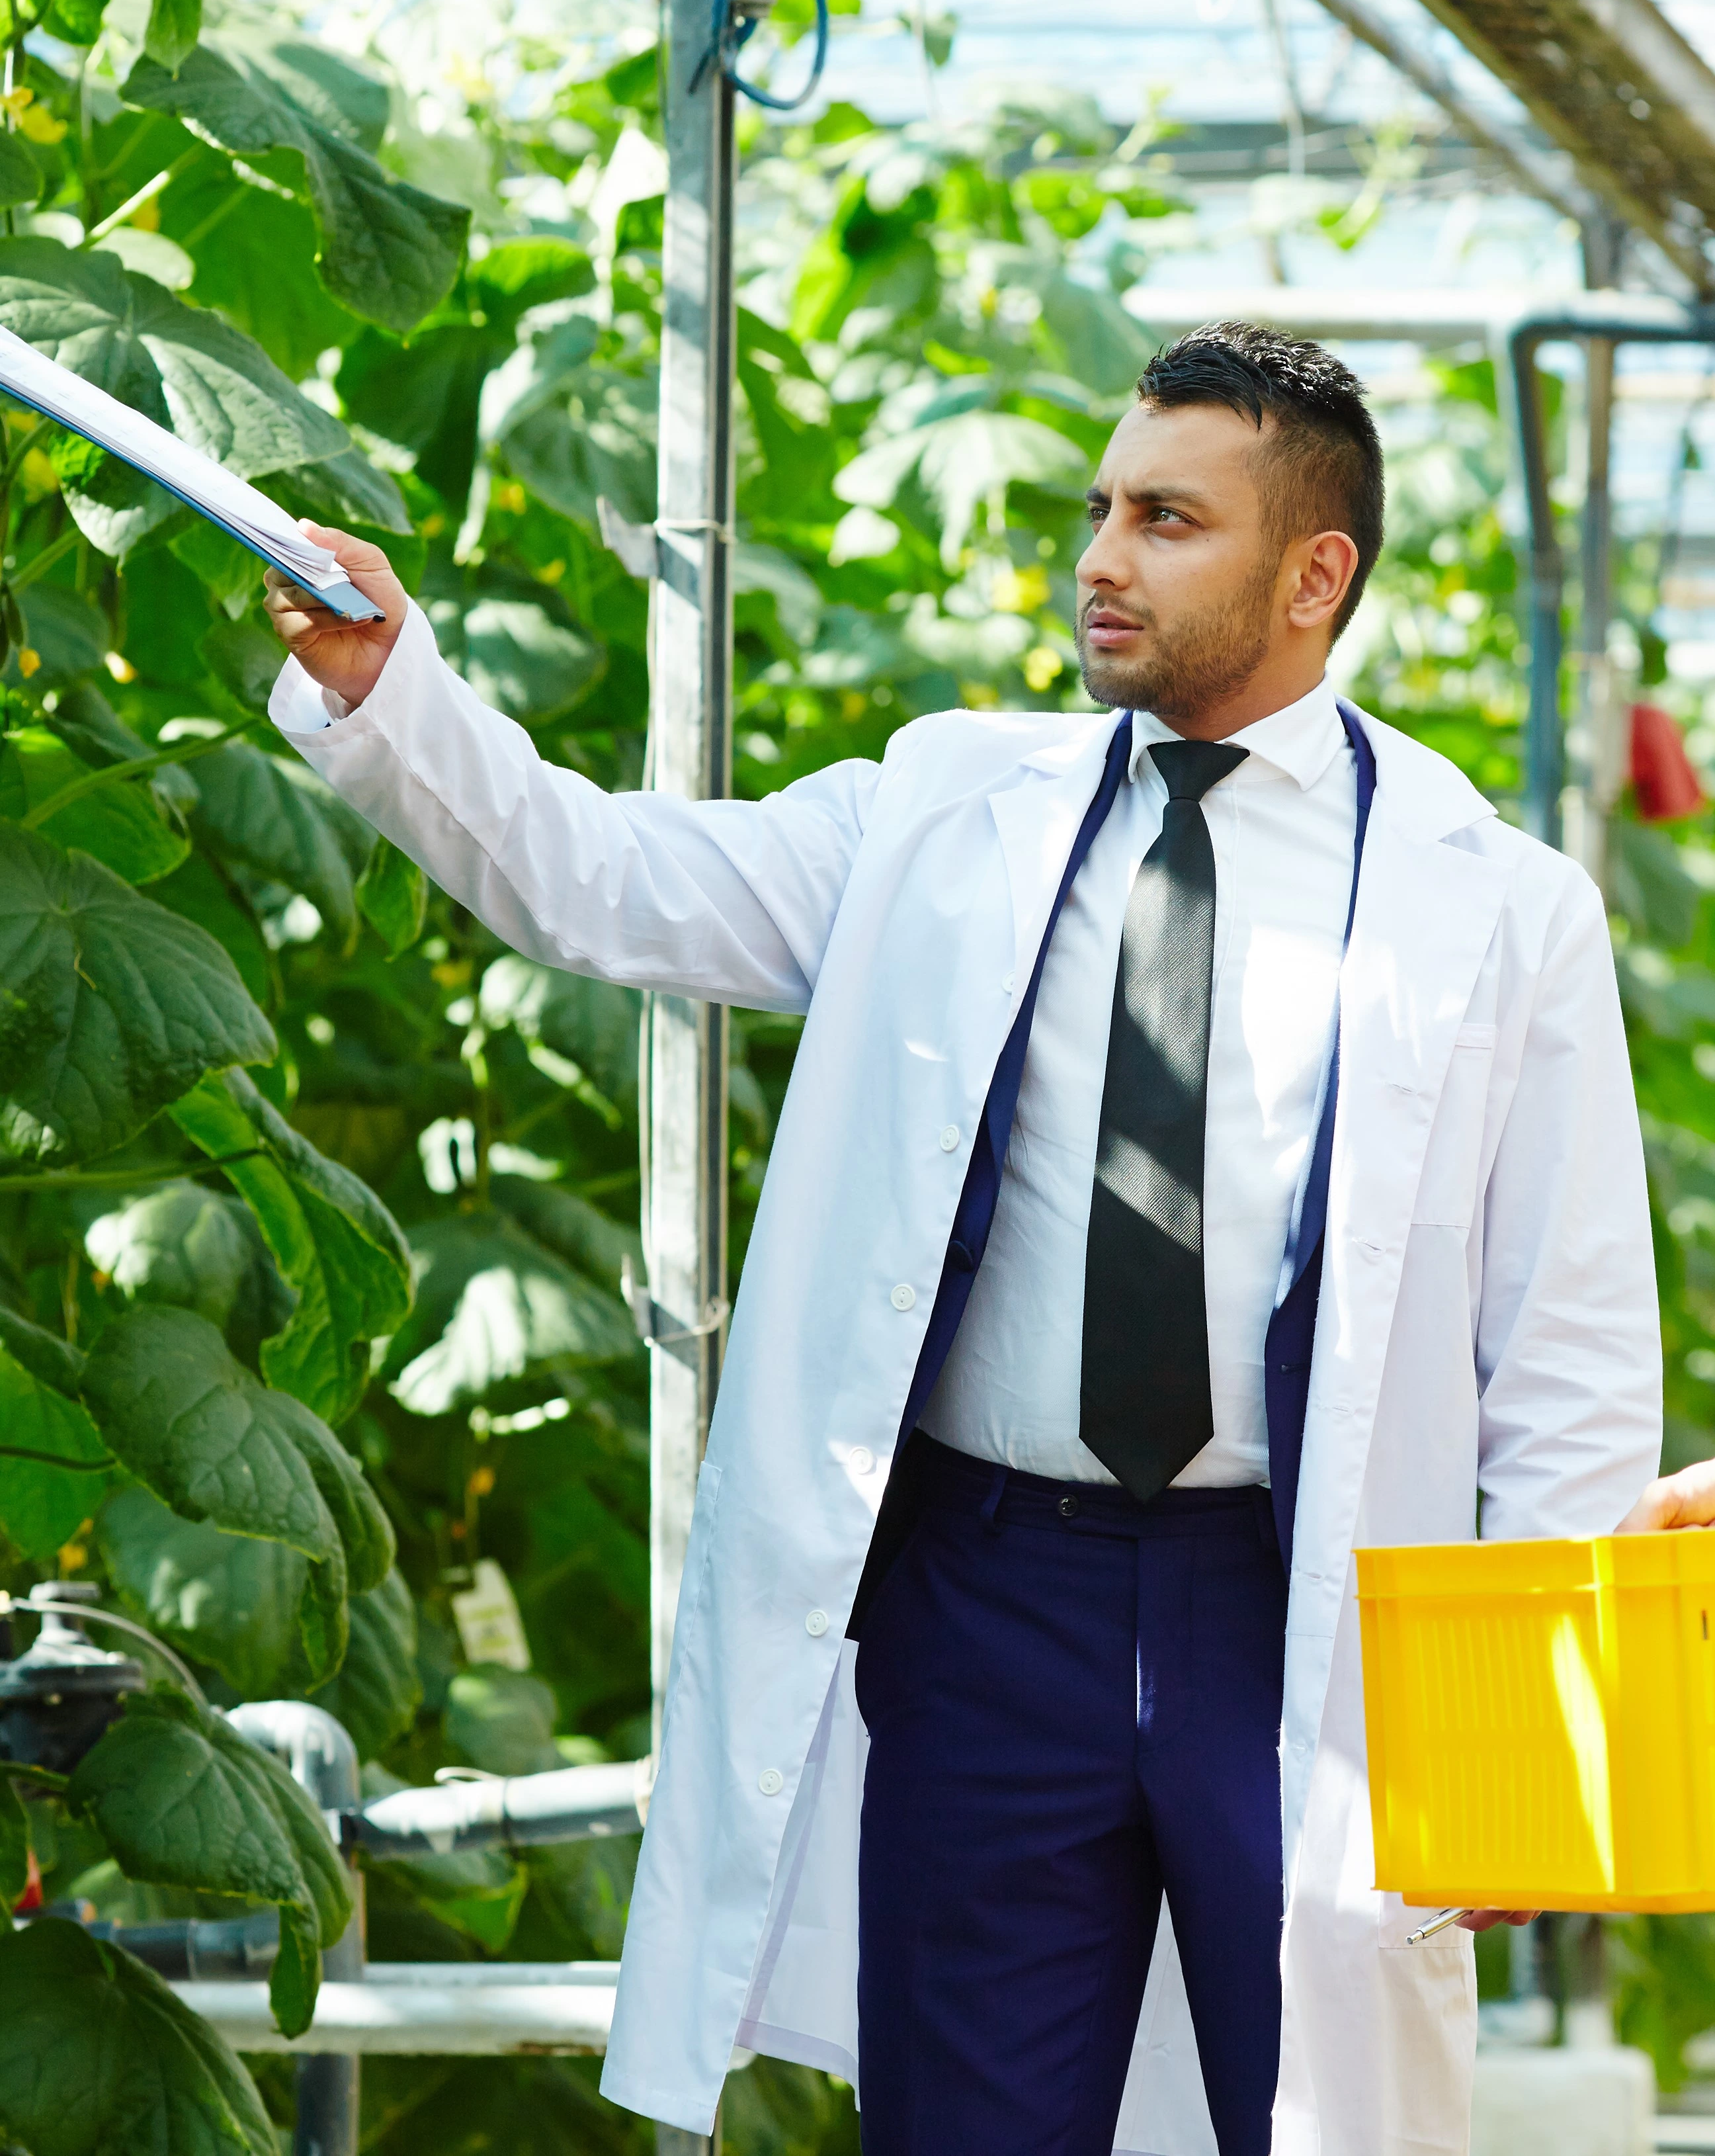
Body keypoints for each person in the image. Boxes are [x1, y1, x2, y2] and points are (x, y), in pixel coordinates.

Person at [265, 322, 1662, 2156]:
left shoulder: (1499, 908)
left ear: (1317, 575)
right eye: (1102, 505)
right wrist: (402, 700)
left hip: (1309, 1616)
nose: (1101, 556)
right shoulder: (939, 805)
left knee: (1323, 2121)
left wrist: (1540, 1769)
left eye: (1167, 518)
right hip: (992, 1602)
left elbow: (1562, 1351)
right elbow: (610, 881)